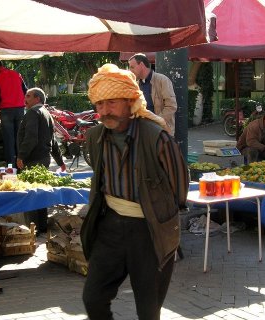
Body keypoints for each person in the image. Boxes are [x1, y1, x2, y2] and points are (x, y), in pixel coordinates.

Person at [81, 64, 189, 320]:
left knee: (148, 309)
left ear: (130, 101)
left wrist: (159, 215)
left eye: (112, 102)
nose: (105, 111)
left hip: (149, 231)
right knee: (93, 298)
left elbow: (179, 188)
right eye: (100, 104)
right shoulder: (96, 137)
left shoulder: (157, 137)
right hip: (110, 228)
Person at [17, 87, 66, 233]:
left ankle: (33, 229)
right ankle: (42, 226)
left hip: (33, 160)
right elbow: (53, 141)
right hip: (44, 159)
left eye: (28, 96)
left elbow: (31, 138)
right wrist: (60, 162)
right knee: (40, 193)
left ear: (37, 98)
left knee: (31, 194)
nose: (25, 98)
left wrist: (21, 156)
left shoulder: (33, 112)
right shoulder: (46, 113)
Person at [128, 53, 177, 135]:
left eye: (132, 67)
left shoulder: (162, 80)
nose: (130, 71)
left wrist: (156, 122)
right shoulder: (135, 85)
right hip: (142, 132)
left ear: (141, 65)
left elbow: (171, 106)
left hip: (162, 132)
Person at [0, 59, 27, 166]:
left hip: (6, 111)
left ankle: (11, 165)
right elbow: (25, 91)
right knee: (19, 137)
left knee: (8, 138)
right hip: (20, 109)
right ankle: (21, 163)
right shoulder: (16, 74)